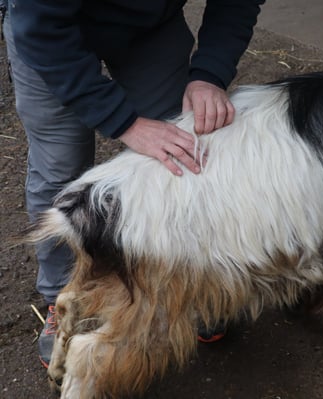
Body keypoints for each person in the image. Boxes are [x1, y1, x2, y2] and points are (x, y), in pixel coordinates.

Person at [2, 0, 265, 368]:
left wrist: (209, 73)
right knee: (60, 169)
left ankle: (184, 284)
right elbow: (40, 28)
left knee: (180, 151)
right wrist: (126, 123)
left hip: (148, 25)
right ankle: (65, 300)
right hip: (48, 32)